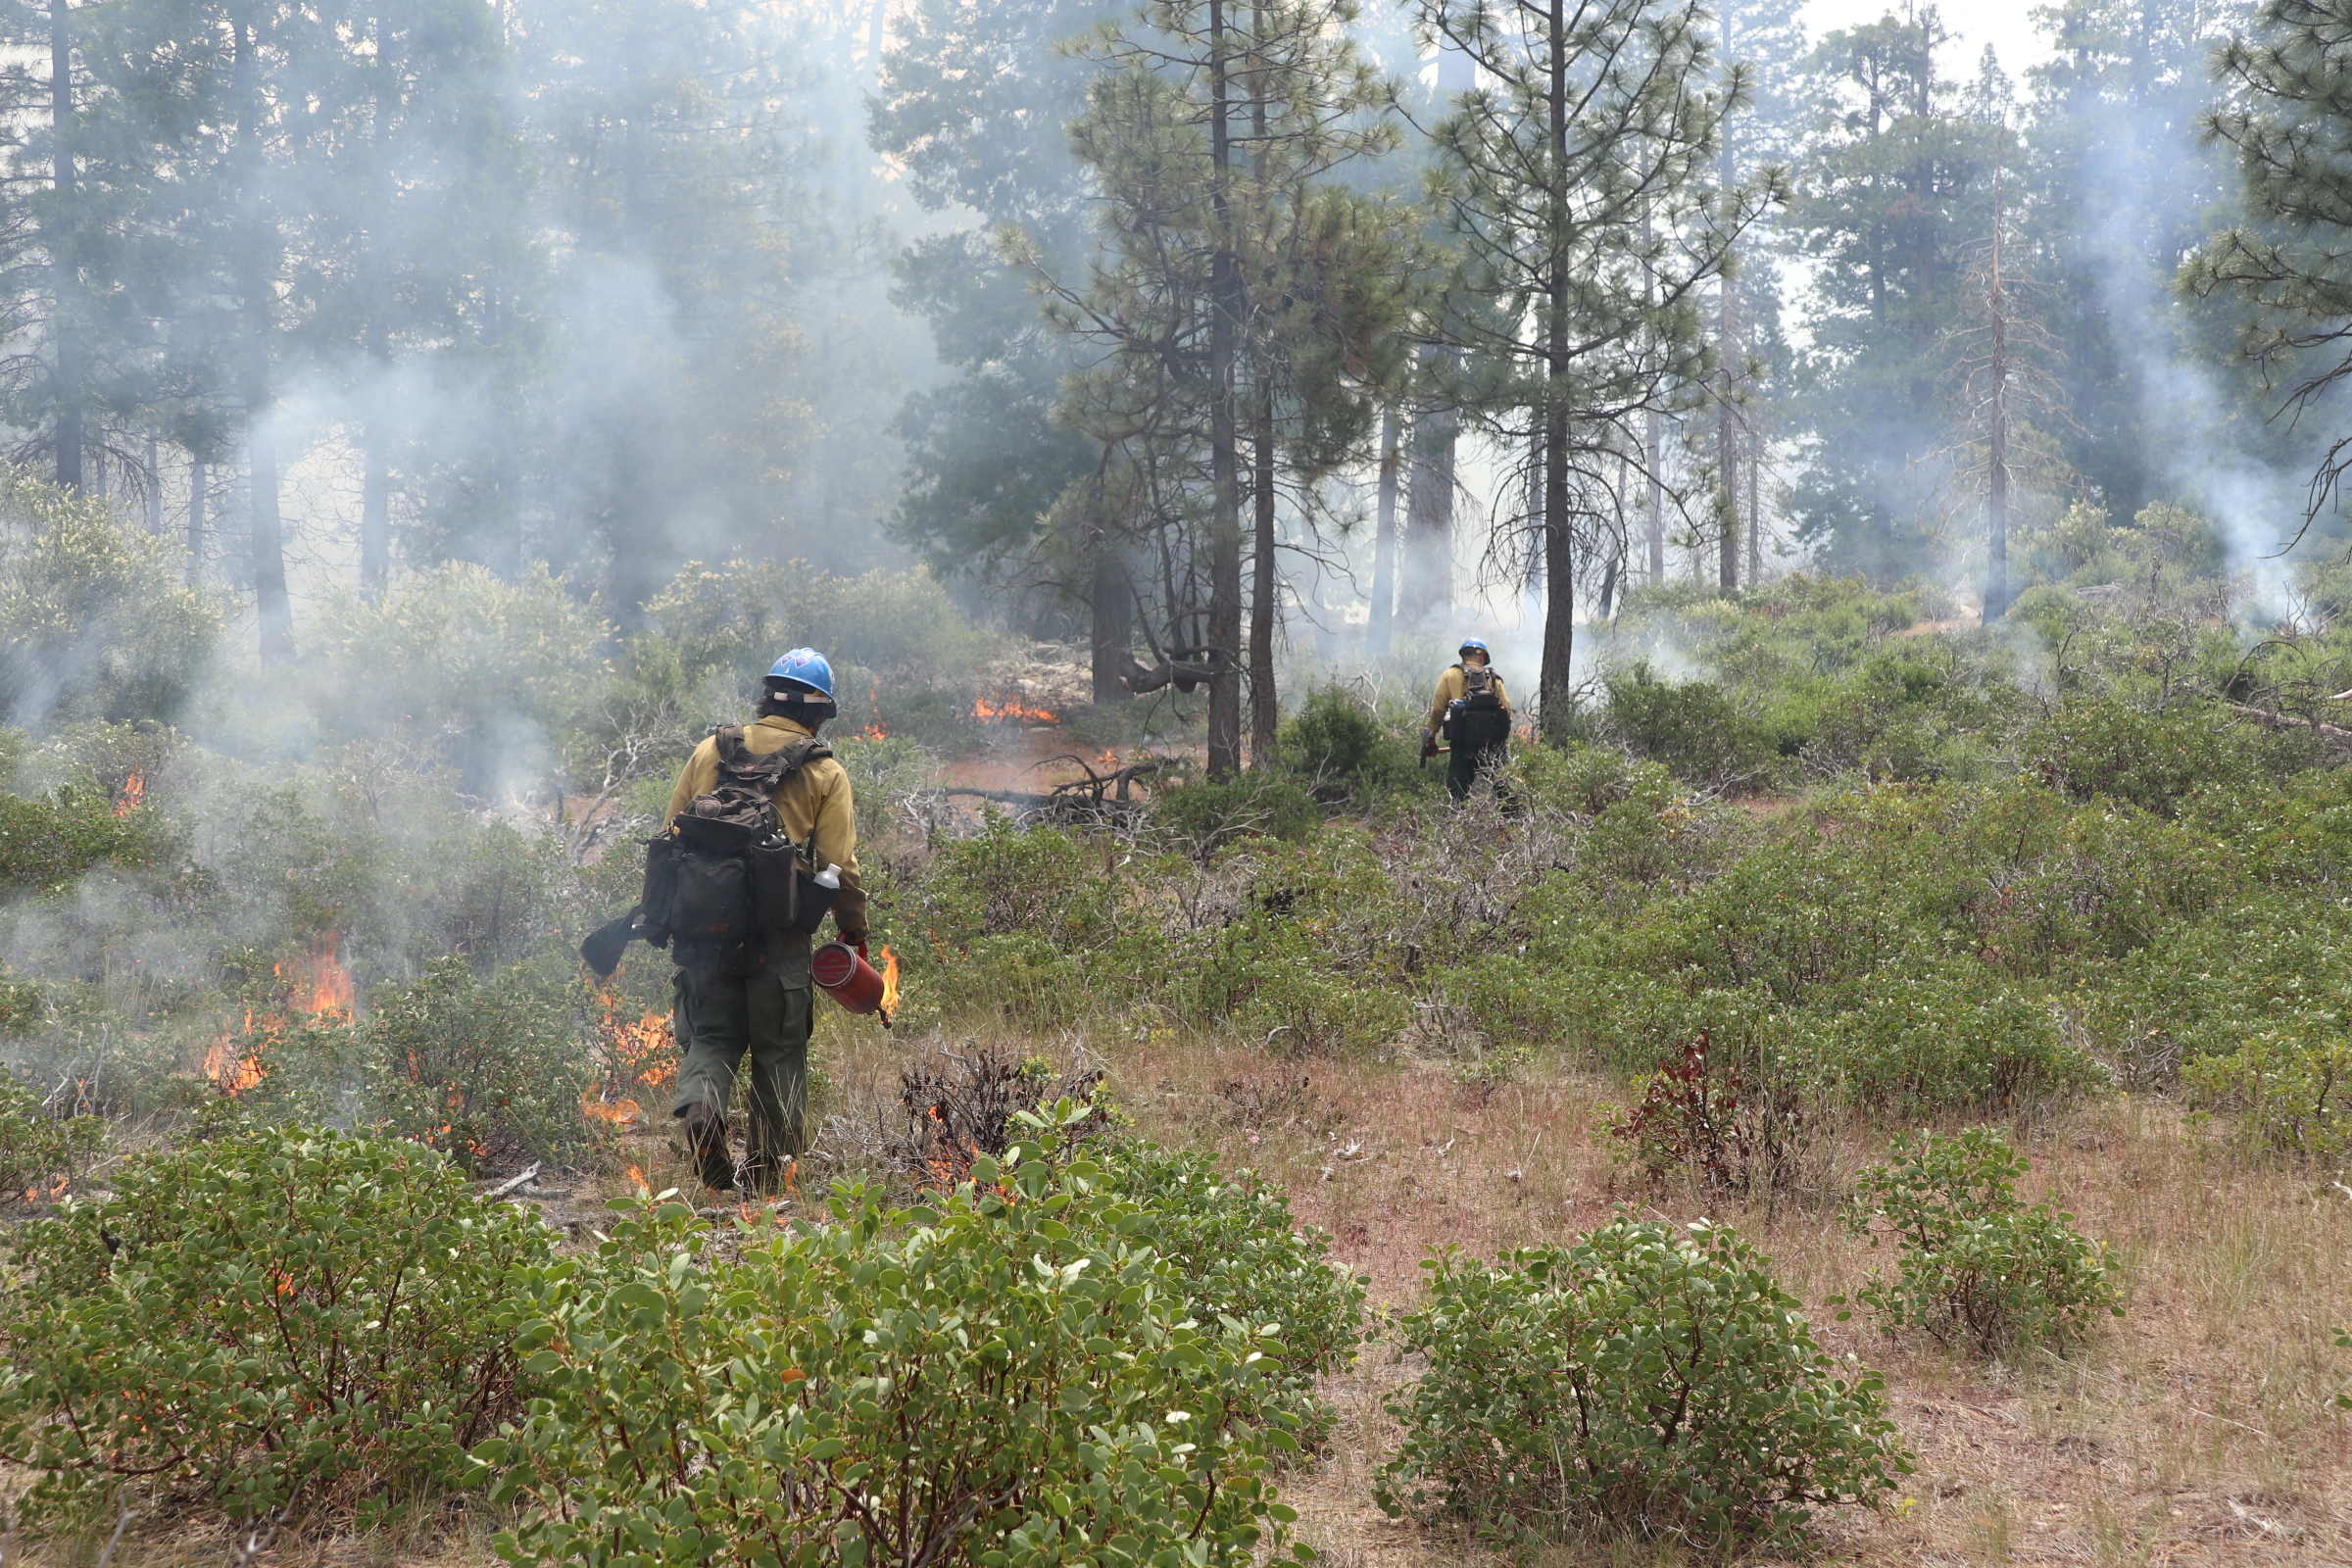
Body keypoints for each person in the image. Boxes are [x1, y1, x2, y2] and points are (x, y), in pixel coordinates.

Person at [662, 648, 865, 1192]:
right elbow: (839, 866)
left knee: (711, 1036)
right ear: (819, 713)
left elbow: (671, 833)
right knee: (779, 1050)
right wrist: (853, 931)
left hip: (705, 934)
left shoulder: (712, 749)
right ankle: (768, 1176)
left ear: (767, 697)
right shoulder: (824, 771)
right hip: (780, 937)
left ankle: (703, 1112)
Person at [1424, 637, 1512, 801]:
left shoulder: (1449, 675)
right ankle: (1513, 822)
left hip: (1462, 744)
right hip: (1492, 745)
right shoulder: (1493, 678)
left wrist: (1431, 737)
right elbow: (1506, 710)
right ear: (1482, 657)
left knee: (1457, 792)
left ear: (1463, 656)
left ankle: (1457, 822)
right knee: (1506, 786)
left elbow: (1438, 710)